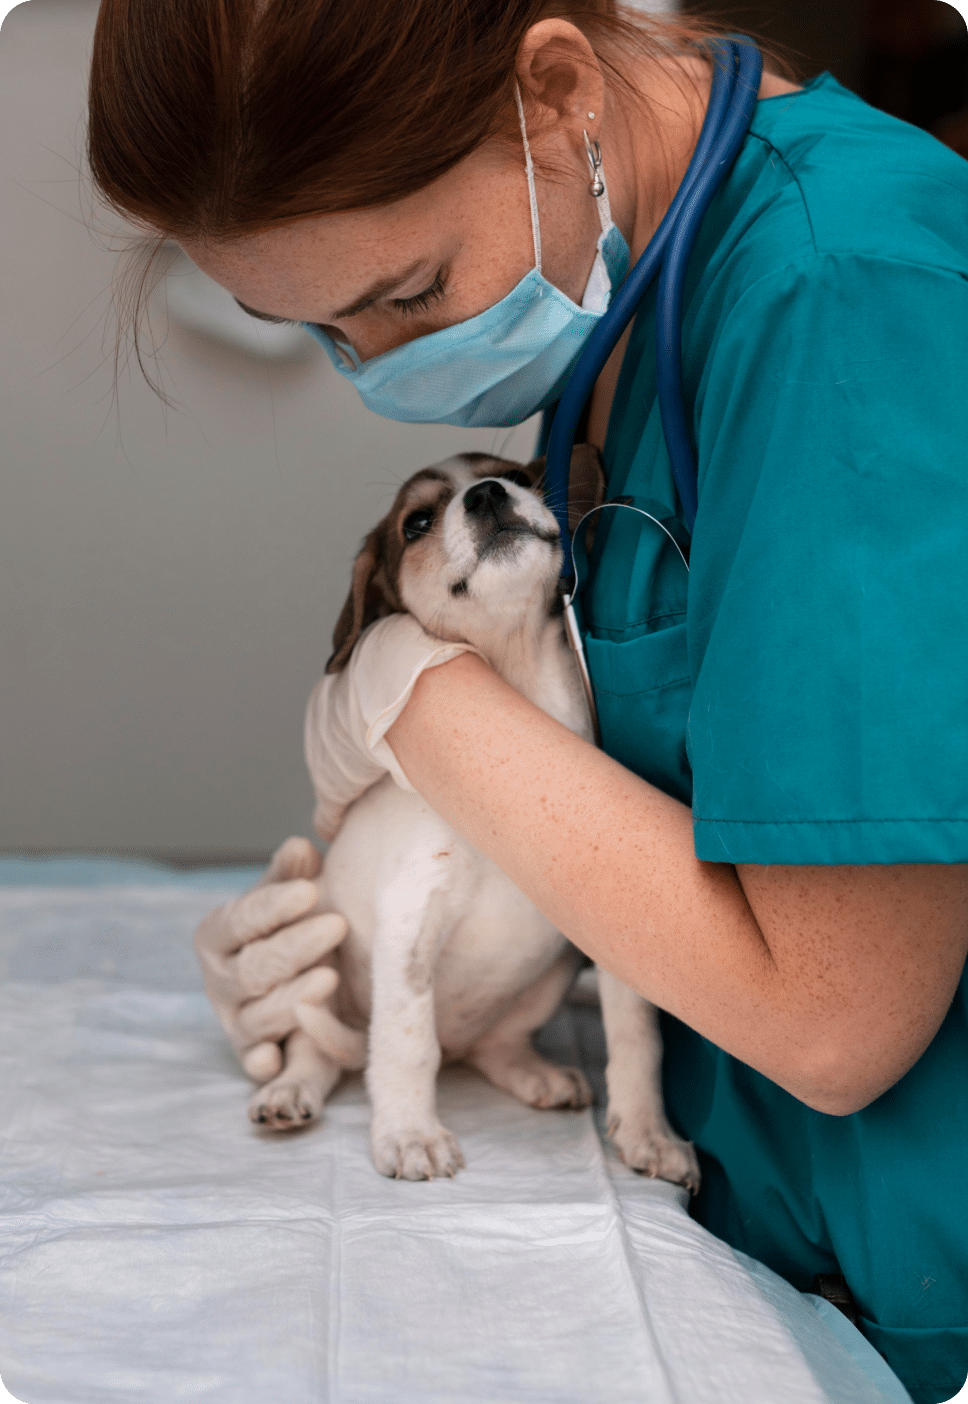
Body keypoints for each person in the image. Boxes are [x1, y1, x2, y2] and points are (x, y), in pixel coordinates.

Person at [86, 3, 968, 1400]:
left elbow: (839, 1021)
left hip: (916, 1285)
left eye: (413, 292)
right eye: (305, 324)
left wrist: (418, 696)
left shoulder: (843, 293)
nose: (376, 370)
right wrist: (374, 936)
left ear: (555, 90)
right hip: (739, 1219)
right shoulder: (621, 323)